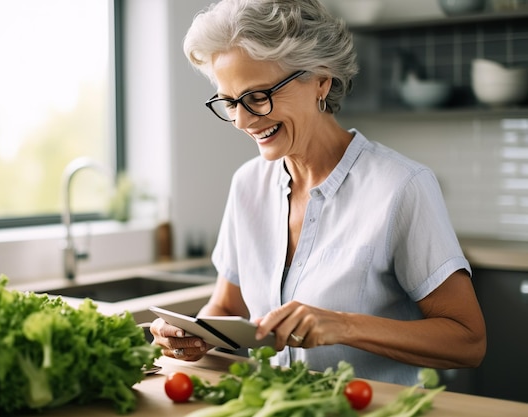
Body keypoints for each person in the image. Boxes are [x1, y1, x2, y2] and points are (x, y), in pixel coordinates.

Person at [150, 0, 486, 385]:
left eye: (258, 96)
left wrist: (343, 326)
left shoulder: (402, 187)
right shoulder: (247, 184)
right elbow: (227, 304)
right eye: (229, 102)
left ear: (321, 81)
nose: (242, 120)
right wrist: (195, 335)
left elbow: (469, 341)